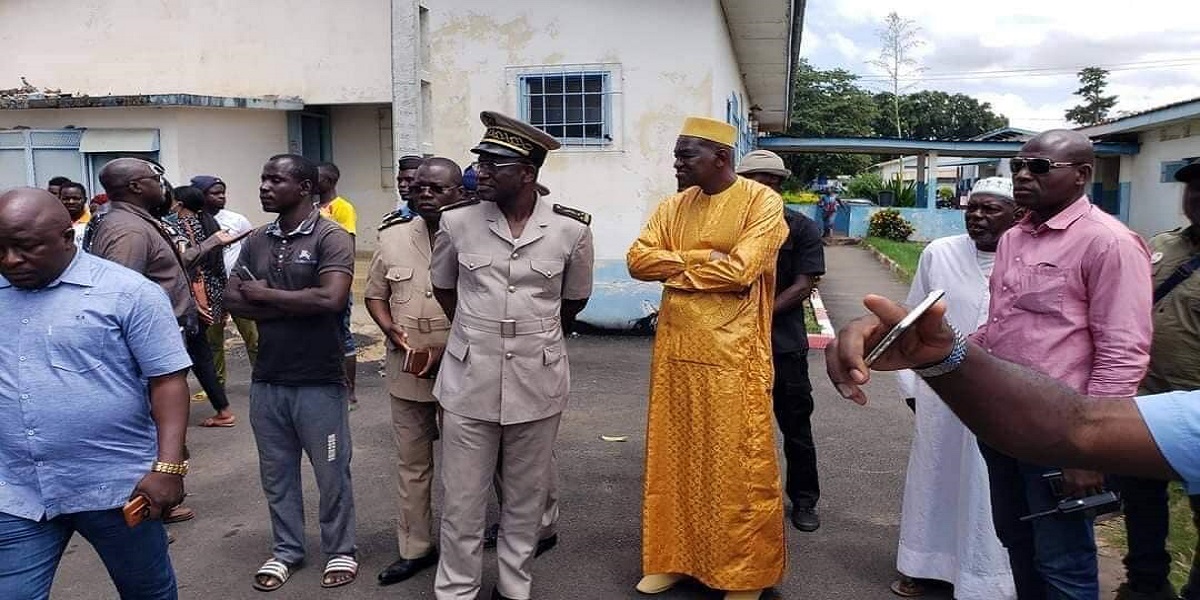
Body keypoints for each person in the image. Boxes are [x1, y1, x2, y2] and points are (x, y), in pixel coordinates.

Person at [969, 130, 1153, 600]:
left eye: (1039, 167)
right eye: (1018, 167)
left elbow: (1122, 351)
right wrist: (941, 352)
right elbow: (999, 328)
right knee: (1018, 542)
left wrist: (1089, 449)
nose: (1023, 176)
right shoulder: (1014, 238)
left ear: (1082, 175)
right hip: (1003, 423)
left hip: (1061, 436)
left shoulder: (1108, 243)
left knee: (1064, 561)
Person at [430, 111, 593, 600]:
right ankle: (456, 589)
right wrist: (480, 332)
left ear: (526, 173)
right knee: (461, 500)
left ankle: (513, 585)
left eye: (492, 164)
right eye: (479, 161)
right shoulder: (456, 222)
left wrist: (530, 336)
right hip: (468, 376)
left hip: (537, 378)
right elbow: (444, 289)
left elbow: (574, 301)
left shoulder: (570, 230)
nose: (479, 171)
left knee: (525, 498)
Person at [0, 188, 192, 599]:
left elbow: (168, 379)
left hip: (117, 486)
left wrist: (169, 468)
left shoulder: (129, 293)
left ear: (67, 237)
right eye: (0, 248)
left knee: (147, 592)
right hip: (17, 490)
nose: (10, 260)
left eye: (26, 248)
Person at [627, 117, 787, 600]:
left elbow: (742, 270)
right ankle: (673, 559)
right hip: (677, 353)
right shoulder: (673, 205)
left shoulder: (763, 202)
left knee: (738, 464)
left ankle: (743, 573)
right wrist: (702, 260)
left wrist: (675, 263)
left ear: (721, 157)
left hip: (733, 356)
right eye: (676, 155)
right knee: (673, 460)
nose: (676, 164)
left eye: (685, 155)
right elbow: (638, 260)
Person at [225, 154, 358, 592]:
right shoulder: (257, 239)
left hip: (319, 377)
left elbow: (332, 300)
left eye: (275, 179)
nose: (264, 186)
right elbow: (233, 300)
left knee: (331, 472)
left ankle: (341, 549)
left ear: (304, 187)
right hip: (268, 378)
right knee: (276, 473)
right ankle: (287, 549)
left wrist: (265, 296)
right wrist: (289, 302)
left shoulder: (331, 236)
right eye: (263, 178)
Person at [89, 158, 242, 523]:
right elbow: (119, 295)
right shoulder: (126, 231)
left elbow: (168, 271)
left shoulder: (139, 222)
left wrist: (205, 249)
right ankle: (148, 509)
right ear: (137, 186)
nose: (164, 186)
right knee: (149, 429)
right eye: (156, 179)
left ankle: (164, 500)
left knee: (163, 425)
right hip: (143, 350)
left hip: (167, 336)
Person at [891, 177, 1019, 599]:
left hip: (1003, 392)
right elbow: (912, 317)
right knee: (935, 472)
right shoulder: (939, 253)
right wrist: (911, 385)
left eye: (991, 209)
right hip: (941, 389)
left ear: (1017, 215)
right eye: (972, 208)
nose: (977, 217)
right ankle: (922, 563)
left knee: (986, 483)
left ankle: (985, 580)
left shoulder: (1030, 257)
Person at [366, 157, 463, 587]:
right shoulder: (391, 237)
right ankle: (416, 548)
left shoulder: (475, 236)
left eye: (437, 188)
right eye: (419, 187)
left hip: (463, 366)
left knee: (468, 466)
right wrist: (390, 330)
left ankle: (465, 548)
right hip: (407, 366)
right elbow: (375, 295)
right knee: (412, 463)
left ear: (459, 193)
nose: (425, 194)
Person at [1112, 159, 1200, 600]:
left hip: (1197, 410)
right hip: (1146, 403)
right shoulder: (1163, 245)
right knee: (1142, 502)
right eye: (1192, 188)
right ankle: (1146, 584)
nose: (1198, 197)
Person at [735, 149, 827, 532]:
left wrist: (756, 314)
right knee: (733, 430)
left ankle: (804, 501)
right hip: (731, 347)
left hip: (782, 345)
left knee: (795, 428)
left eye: (772, 181)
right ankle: (738, 501)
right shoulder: (727, 227)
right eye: (757, 179)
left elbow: (804, 284)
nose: (765, 187)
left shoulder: (801, 228)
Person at [168, 185, 237, 427]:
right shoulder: (211, 224)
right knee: (200, 353)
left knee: (184, 356)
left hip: (191, 298)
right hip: (213, 293)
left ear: (180, 203)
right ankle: (223, 409)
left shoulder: (178, 227)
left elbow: (183, 262)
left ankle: (167, 411)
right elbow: (219, 265)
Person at [191, 175, 259, 387]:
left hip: (237, 288)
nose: (221, 197)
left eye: (223, 192)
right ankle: (216, 386)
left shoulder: (237, 220)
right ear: (201, 195)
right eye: (215, 193)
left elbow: (252, 250)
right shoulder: (193, 222)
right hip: (209, 291)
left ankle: (262, 380)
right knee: (213, 342)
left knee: (254, 338)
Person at [316, 162, 360, 408]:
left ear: (330, 181)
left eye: (318, 178)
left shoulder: (342, 208)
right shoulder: (312, 207)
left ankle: (349, 390)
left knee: (341, 334)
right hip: (314, 282)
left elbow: (347, 245)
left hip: (336, 281)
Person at [58, 180, 91, 246]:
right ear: (59, 199)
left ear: (85, 200)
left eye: (76, 198)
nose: (71, 202)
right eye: (66, 198)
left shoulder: (93, 222)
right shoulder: (54, 222)